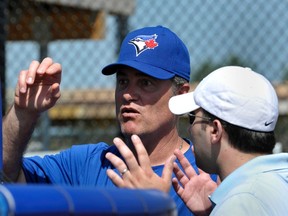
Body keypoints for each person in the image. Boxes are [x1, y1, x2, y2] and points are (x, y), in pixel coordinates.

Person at [3, 25, 216, 215]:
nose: (127, 94)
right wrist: (23, 113)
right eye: (123, 81)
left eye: (145, 83)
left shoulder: (207, 176)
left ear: (180, 94)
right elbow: (6, 176)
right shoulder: (88, 163)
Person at [168, 66, 288, 215]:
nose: (189, 129)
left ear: (215, 130)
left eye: (193, 117)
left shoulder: (240, 204)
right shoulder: (279, 181)